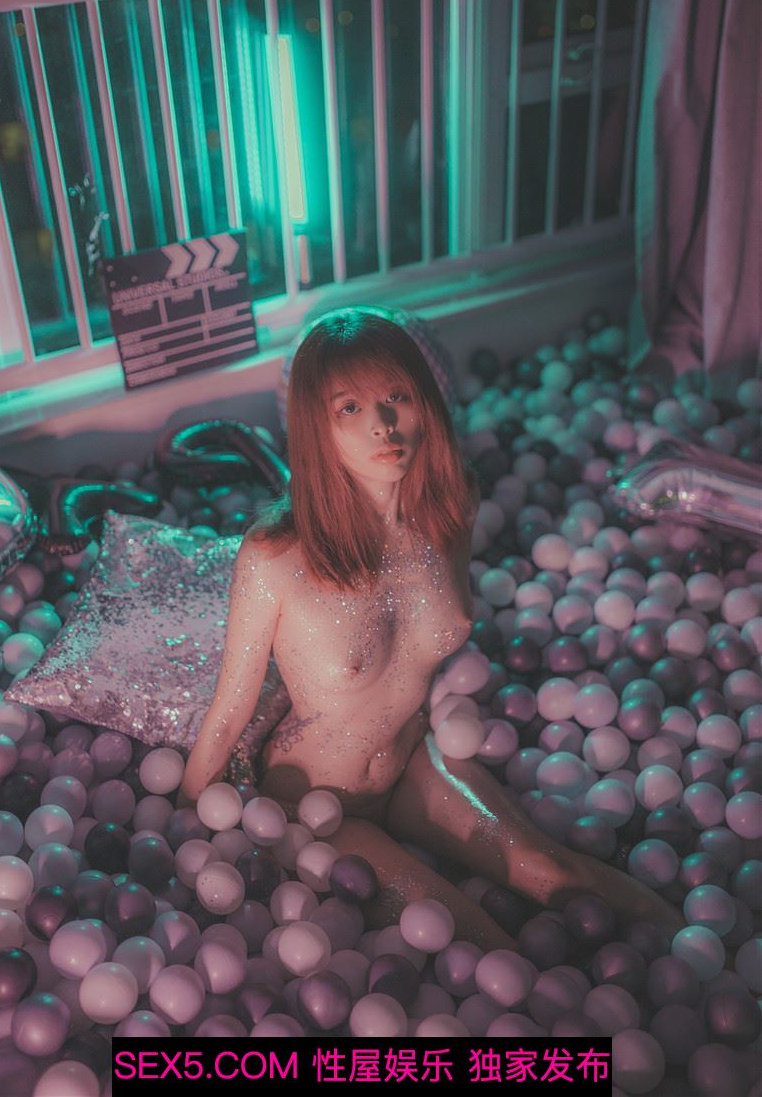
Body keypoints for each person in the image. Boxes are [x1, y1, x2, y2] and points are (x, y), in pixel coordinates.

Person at [180, 310, 681, 949]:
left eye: (397, 396)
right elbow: (229, 711)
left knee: (553, 871)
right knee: (475, 941)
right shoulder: (275, 556)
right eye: (349, 409)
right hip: (315, 804)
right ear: (315, 428)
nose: (383, 425)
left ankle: (713, 962)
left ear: (425, 400)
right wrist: (183, 832)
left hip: (413, 758)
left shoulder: (451, 506)